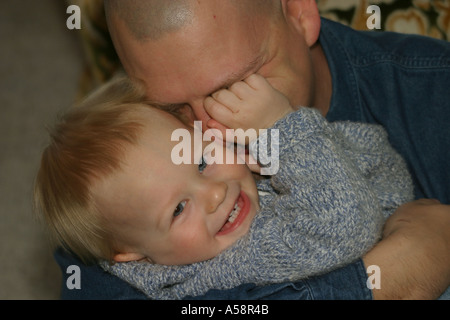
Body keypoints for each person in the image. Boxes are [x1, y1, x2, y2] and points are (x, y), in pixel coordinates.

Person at [55, 0, 450, 299]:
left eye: (231, 90)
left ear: (299, 12)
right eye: (174, 109)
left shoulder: (432, 92)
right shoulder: (122, 160)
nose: (212, 130)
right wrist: (388, 278)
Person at [36, 74, 415, 299]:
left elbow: (374, 149)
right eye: (178, 209)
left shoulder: (174, 236)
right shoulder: (232, 264)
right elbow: (347, 224)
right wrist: (283, 130)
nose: (214, 193)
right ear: (130, 253)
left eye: (201, 161)